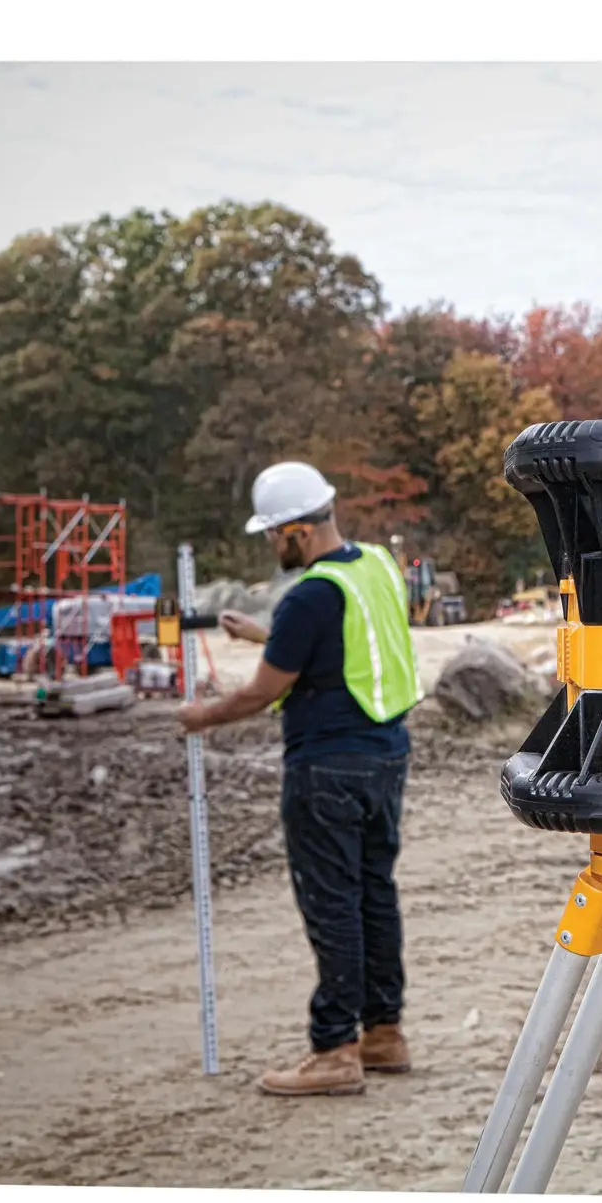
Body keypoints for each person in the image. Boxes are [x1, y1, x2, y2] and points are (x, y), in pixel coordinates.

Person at [178, 460, 420, 1097]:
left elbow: (262, 691)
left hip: (327, 765)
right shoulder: (375, 565)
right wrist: (268, 634)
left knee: (331, 904)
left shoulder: (309, 595)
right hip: (385, 755)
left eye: (272, 533)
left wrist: (200, 717)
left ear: (298, 531)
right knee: (373, 894)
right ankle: (384, 1032)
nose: (270, 544)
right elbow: (348, 643)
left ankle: (335, 1048)